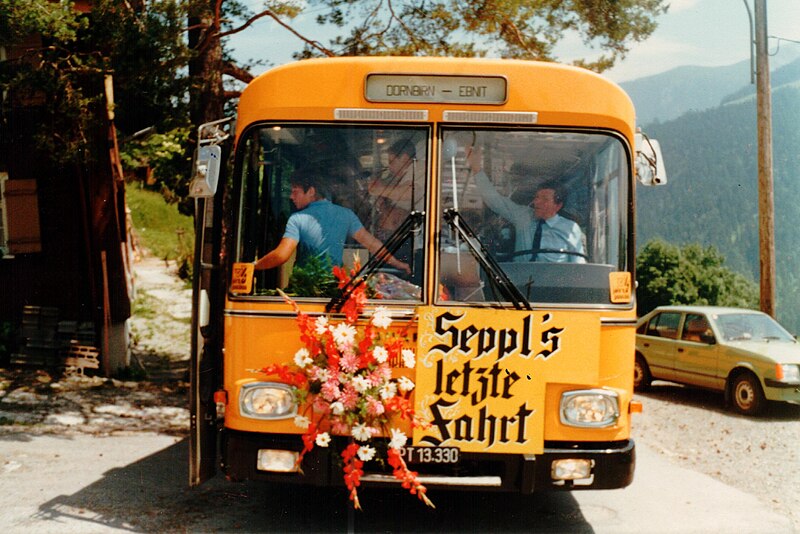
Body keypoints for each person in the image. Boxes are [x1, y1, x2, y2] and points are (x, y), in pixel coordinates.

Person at [254, 168, 410, 274]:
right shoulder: (346, 215)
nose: (291, 196)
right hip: (333, 288)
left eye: (295, 191)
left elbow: (281, 255)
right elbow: (372, 243)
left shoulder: (297, 218)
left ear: (311, 191)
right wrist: (397, 263)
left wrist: (254, 266)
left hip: (304, 293)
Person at [466, 145, 586, 263]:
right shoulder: (522, 215)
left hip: (553, 281)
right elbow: (495, 201)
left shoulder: (570, 228)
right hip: (520, 280)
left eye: (544, 199)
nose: (536, 202)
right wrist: (476, 168)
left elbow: (578, 265)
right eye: (536, 197)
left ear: (558, 205)